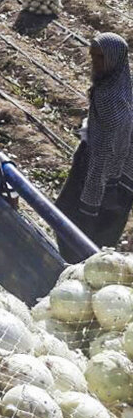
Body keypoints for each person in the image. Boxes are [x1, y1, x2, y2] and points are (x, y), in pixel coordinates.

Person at [55, 33, 133, 261]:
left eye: (100, 58)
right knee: (102, 232)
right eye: (93, 57)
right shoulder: (121, 86)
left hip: (101, 173)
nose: (95, 63)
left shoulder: (109, 97)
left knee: (78, 222)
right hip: (116, 177)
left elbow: (106, 149)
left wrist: (95, 190)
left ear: (114, 60)